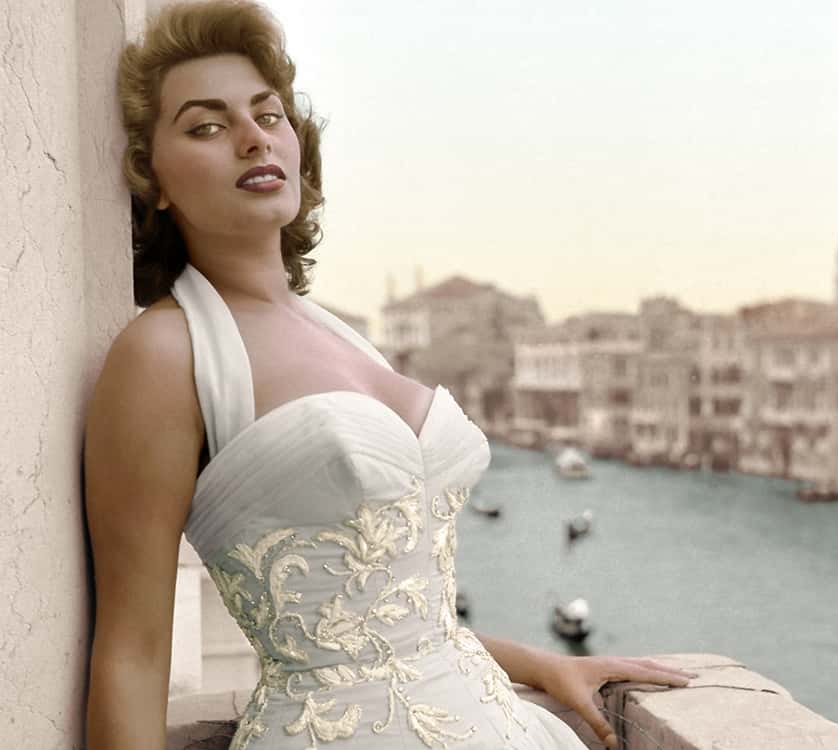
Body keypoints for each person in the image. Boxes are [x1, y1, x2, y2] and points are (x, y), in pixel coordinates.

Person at [83, 1, 696, 748]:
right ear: (155, 179)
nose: (253, 137)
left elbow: (391, 620)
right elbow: (133, 653)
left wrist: (540, 662)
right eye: (207, 127)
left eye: (269, 115)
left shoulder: (347, 340)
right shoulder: (164, 353)